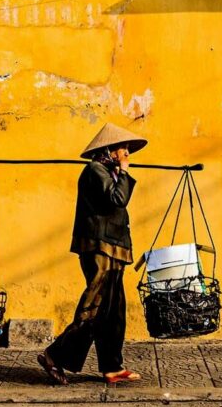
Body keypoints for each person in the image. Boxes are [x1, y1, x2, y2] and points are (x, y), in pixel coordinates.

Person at [38, 123, 147, 386]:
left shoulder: (107, 171)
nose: (127, 154)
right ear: (109, 150)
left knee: (114, 311)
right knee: (95, 308)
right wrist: (124, 172)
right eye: (123, 149)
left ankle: (112, 366)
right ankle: (54, 355)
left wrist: (120, 171)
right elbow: (117, 199)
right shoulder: (95, 171)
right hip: (99, 249)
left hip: (114, 248)